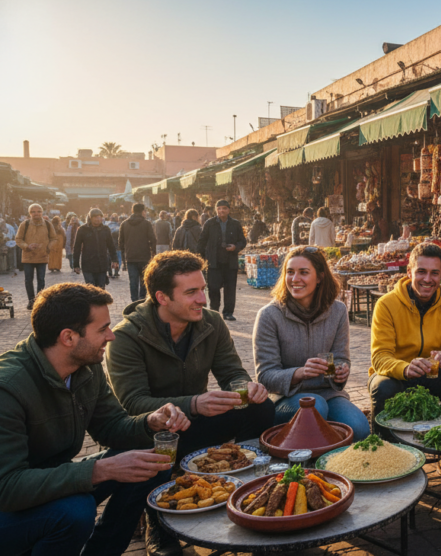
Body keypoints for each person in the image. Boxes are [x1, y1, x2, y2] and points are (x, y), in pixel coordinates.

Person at [0, 283, 189, 556]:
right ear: (68, 337)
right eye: (103, 329)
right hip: (9, 503)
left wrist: (150, 422)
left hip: (50, 478)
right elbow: (8, 487)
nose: (111, 336)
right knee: (75, 512)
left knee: (152, 460)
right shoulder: (8, 388)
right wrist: (101, 470)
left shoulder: (85, 366)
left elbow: (111, 426)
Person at [105, 250, 274, 461]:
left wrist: (246, 388)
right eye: (191, 292)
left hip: (197, 423)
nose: (202, 299)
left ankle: (242, 464)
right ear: (162, 297)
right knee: (143, 454)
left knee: (261, 408)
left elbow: (232, 373)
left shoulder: (213, 322)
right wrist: (193, 404)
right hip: (155, 433)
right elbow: (134, 403)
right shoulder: (125, 336)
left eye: (203, 289)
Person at [369, 242, 441, 485]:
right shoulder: (386, 304)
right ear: (409, 272)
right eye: (421, 271)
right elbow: (379, 357)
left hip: (432, 374)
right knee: (382, 386)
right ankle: (389, 460)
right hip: (397, 376)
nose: (427, 279)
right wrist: (405, 368)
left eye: (434, 273)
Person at [254, 247, 370, 440]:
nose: (295, 279)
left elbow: (341, 358)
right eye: (290, 272)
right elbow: (265, 376)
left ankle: (335, 457)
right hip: (285, 399)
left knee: (359, 428)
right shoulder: (269, 315)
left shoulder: (338, 311)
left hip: (329, 394)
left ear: (320, 277)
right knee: (316, 407)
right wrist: (300, 373)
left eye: (304, 272)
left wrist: (341, 371)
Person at [197, 200, 247, 321]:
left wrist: (235, 247)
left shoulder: (235, 224)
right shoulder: (210, 223)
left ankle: (228, 312)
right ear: (216, 210)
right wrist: (201, 258)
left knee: (230, 289)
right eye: (219, 209)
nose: (221, 211)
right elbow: (202, 241)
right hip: (214, 262)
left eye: (224, 208)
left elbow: (243, 241)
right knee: (213, 288)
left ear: (228, 210)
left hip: (230, 262)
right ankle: (214, 311)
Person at [15, 203, 59, 310]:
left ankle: (39, 301)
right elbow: (18, 239)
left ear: (42, 212)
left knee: (41, 280)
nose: (36, 214)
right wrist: (27, 246)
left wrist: (47, 247)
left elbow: (54, 238)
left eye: (39, 211)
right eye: (33, 212)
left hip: (42, 256)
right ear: (30, 213)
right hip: (28, 257)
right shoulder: (24, 224)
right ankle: (31, 301)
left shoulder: (48, 224)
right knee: (28, 280)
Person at [119, 203, 157, 302]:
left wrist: (124, 256)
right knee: (144, 280)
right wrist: (153, 252)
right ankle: (142, 300)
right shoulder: (146, 224)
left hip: (130, 257)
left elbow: (120, 242)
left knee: (133, 281)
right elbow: (153, 240)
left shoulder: (124, 224)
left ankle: (134, 301)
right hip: (144, 256)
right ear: (142, 211)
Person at [73, 208, 117, 289]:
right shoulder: (83, 229)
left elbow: (111, 246)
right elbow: (77, 247)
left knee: (101, 289)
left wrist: (115, 260)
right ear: (91, 218)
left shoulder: (105, 229)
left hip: (102, 264)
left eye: (100, 217)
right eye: (96, 217)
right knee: (91, 289)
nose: (98, 219)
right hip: (88, 265)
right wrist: (76, 265)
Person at [107, 214, 121, 279]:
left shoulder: (107, 226)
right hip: (118, 245)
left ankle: (110, 273)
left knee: (109, 259)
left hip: (109, 245)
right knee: (118, 259)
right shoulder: (119, 226)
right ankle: (116, 272)